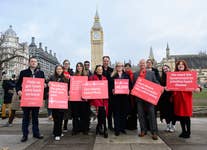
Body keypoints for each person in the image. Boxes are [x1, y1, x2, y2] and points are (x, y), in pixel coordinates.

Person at [16, 57, 45, 142]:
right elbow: (17, 84)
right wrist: (19, 91)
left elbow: (43, 85)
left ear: (37, 63)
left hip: (36, 99)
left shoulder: (41, 73)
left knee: (35, 117)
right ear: (29, 63)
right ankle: (25, 135)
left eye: (35, 61)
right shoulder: (23, 72)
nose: (33, 63)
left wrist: (45, 86)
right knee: (26, 117)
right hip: (26, 98)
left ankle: (36, 133)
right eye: (32, 61)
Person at [172, 60, 201, 138]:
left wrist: (198, 88)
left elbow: (196, 84)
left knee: (186, 116)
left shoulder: (189, 74)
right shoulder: (174, 75)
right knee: (181, 116)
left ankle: (188, 132)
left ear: (185, 66)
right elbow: (170, 85)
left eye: (182, 64)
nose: (180, 66)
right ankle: (183, 131)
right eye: (179, 64)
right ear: (177, 66)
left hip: (186, 98)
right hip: (178, 98)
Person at [133, 59, 159, 140]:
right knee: (141, 115)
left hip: (149, 98)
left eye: (143, 63)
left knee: (152, 115)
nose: (142, 65)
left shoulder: (151, 73)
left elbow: (156, 83)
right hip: (139, 98)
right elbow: (134, 85)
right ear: (139, 64)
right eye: (140, 63)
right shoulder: (135, 74)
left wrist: (159, 87)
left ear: (145, 64)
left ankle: (154, 132)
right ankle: (143, 130)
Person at [48, 65, 69, 141]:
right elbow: (47, 86)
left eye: (60, 69)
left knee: (60, 117)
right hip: (54, 101)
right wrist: (48, 85)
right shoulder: (52, 77)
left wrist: (68, 95)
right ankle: (56, 131)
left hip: (62, 102)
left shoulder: (65, 79)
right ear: (55, 70)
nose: (59, 70)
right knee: (55, 117)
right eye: (57, 69)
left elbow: (68, 89)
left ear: (62, 70)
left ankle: (58, 133)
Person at [111, 62, 132, 136]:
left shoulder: (126, 75)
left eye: (121, 66)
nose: (119, 67)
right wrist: (112, 90)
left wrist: (129, 90)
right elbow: (110, 86)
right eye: (118, 66)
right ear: (116, 67)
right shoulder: (113, 76)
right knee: (116, 113)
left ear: (123, 67)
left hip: (124, 98)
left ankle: (122, 128)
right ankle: (117, 129)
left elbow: (130, 85)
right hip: (116, 98)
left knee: (123, 113)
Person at [88, 65, 108, 138]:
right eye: (98, 69)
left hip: (103, 100)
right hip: (95, 100)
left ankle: (99, 127)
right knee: (101, 114)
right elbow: (89, 88)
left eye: (101, 69)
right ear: (96, 70)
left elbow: (105, 89)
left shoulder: (105, 78)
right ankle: (104, 128)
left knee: (102, 114)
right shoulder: (91, 78)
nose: (100, 70)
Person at [70, 62, 90, 135]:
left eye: (80, 66)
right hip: (75, 98)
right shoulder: (73, 76)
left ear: (82, 67)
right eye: (77, 66)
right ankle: (75, 129)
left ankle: (84, 129)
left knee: (84, 115)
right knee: (75, 115)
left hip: (83, 99)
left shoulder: (86, 76)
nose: (79, 67)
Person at [158, 65, 176, 132]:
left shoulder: (174, 76)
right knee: (166, 112)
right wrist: (163, 88)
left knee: (172, 112)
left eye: (166, 68)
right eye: (164, 69)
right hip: (164, 98)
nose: (165, 70)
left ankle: (173, 125)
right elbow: (159, 86)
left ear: (169, 68)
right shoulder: (161, 78)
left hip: (172, 96)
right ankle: (168, 125)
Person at [102, 56, 114, 131]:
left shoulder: (112, 70)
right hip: (101, 93)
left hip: (110, 93)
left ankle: (110, 125)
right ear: (102, 61)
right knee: (101, 110)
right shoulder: (99, 69)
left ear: (109, 62)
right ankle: (102, 125)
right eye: (104, 61)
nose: (106, 62)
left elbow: (113, 81)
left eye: (107, 61)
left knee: (110, 110)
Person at [124, 63, 137, 130]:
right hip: (126, 96)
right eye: (126, 67)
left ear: (130, 68)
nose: (127, 68)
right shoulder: (123, 75)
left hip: (133, 96)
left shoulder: (133, 75)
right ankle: (127, 125)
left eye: (128, 67)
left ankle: (133, 126)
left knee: (133, 111)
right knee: (127, 111)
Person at [62, 59, 74, 132]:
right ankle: (60, 125)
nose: (66, 65)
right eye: (65, 63)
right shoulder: (60, 71)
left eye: (68, 64)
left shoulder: (71, 73)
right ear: (63, 64)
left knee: (67, 110)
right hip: (61, 92)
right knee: (61, 110)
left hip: (69, 93)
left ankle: (65, 126)